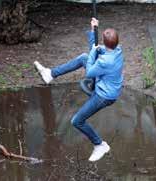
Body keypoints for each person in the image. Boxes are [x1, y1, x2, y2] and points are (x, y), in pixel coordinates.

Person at [34, 18, 124, 162]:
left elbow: (90, 71)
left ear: (104, 41)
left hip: (104, 96)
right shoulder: (118, 50)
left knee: (77, 121)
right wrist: (94, 29)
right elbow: (96, 49)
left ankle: (99, 144)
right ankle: (51, 74)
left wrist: (94, 49)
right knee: (84, 57)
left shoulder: (105, 61)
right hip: (106, 84)